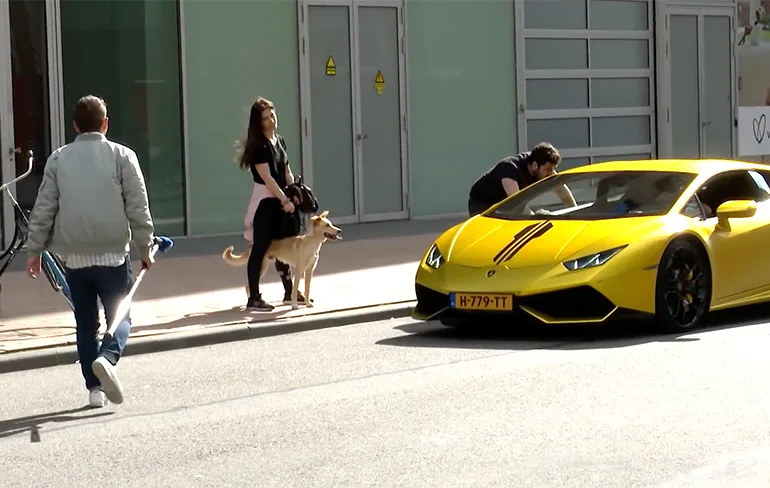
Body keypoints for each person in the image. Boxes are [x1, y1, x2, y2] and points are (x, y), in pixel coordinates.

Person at [25, 95, 155, 408]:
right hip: (112, 253)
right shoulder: (122, 156)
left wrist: (34, 250)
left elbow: (44, 207)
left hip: (74, 256)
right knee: (120, 316)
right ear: (105, 123)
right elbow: (138, 206)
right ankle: (108, 358)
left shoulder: (58, 159)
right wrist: (145, 246)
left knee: (85, 323)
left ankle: (94, 389)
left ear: (74, 125)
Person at [238, 96, 305, 312]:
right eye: (265, 118)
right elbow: (267, 178)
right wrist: (284, 199)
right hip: (265, 203)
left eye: (272, 115)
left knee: (283, 246)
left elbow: (286, 170)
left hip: (281, 201)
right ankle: (254, 297)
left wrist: (295, 191)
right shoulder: (259, 147)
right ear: (259, 122)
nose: (271, 120)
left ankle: (289, 292)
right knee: (261, 248)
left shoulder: (280, 141)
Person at [467, 142, 577, 216]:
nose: (551, 173)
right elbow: (517, 204)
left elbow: (560, 188)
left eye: (553, 169)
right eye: (548, 169)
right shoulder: (509, 170)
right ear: (535, 165)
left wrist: (574, 210)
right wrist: (536, 218)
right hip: (482, 202)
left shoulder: (540, 164)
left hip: (505, 203)